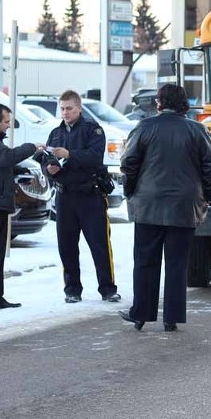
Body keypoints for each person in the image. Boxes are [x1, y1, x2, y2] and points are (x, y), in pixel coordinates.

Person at [118, 84, 211, 332]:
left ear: (159, 103)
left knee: (145, 261)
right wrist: (207, 196)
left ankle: (141, 314)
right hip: (184, 205)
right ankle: (171, 317)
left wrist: (131, 191)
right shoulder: (197, 130)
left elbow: (128, 162)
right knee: (177, 263)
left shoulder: (144, 127)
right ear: (184, 103)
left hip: (148, 203)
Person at [40, 90, 120, 304]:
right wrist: (50, 169)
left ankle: (107, 288)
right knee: (66, 246)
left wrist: (70, 155)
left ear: (79, 108)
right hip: (65, 197)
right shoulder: (56, 133)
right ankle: (72, 289)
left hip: (90, 195)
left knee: (99, 244)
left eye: (69, 108)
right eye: (62, 109)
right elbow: (46, 159)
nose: (65, 113)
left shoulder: (93, 130)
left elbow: (94, 157)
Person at [0, 103, 44, 312]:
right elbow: (4, 157)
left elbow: (3, 165)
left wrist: (26, 165)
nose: (8, 126)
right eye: (6, 122)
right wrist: (31, 147)